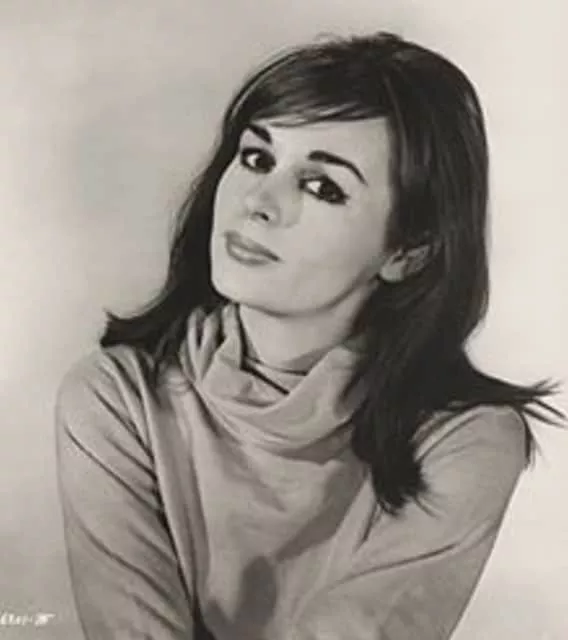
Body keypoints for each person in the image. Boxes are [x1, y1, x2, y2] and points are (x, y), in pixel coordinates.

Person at [55, 31, 563, 640]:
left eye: (322, 186)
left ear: (408, 252)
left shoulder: (466, 441)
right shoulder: (116, 397)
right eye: (256, 158)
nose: (258, 201)